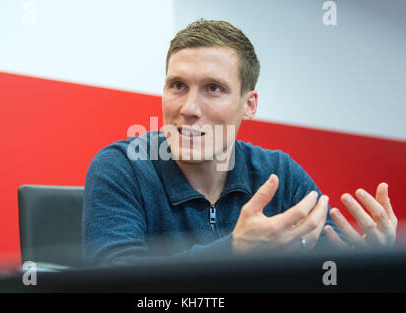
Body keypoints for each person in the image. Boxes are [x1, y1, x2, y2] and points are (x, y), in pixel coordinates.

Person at [82, 19, 397, 266]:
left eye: (213, 88)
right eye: (177, 85)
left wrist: (373, 262)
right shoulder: (122, 167)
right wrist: (234, 251)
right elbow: (116, 283)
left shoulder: (279, 175)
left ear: (250, 104)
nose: (189, 109)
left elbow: (331, 273)